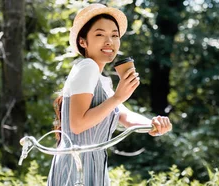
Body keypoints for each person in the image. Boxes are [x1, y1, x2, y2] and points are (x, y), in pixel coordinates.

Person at [47, 4, 173, 186]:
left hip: (94, 165)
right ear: (83, 41)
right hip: (77, 167)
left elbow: (125, 116)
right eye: (100, 35)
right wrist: (118, 97)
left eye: (114, 35)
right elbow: (77, 124)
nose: (109, 41)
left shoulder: (103, 81)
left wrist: (153, 124)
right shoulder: (87, 67)